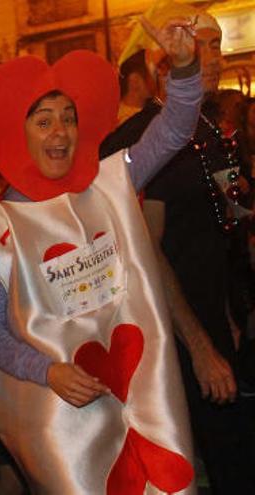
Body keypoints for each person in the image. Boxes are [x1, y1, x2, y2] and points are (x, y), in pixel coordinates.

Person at [0, 17, 201, 493]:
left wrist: (183, 67)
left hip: (139, 386)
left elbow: (175, 130)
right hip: (63, 415)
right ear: (21, 133)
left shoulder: (112, 183)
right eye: (44, 120)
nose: (60, 131)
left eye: (69, 118)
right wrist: (47, 371)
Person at [102, 7, 255, 493]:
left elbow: (232, 217)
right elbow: (146, 252)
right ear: (163, 64)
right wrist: (200, 346)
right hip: (178, 337)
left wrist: (238, 304)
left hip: (225, 318)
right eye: (202, 45)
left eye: (216, 46)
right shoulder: (145, 141)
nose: (213, 57)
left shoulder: (212, 131)